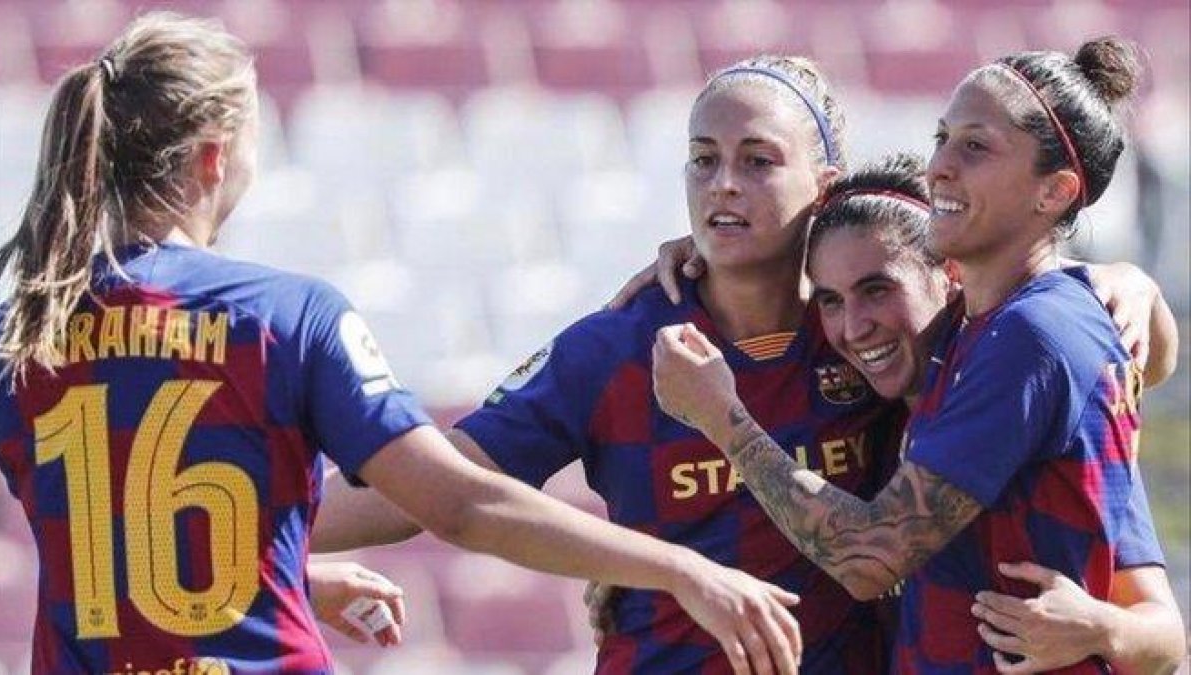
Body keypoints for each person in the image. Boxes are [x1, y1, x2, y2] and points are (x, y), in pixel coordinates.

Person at [0, 13, 803, 675]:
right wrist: (681, 569)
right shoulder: (282, 318)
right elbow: (458, 504)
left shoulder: (20, 334)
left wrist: (282, 574)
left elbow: (133, 519)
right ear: (214, 157)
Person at [313, 55, 910, 674]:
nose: (724, 183)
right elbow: (433, 485)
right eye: (704, 159)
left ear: (825, 186)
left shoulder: (871, 335)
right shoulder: (621, 344)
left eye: (758, 161)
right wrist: (258, 518)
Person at [648, 37, 1184, 673]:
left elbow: (869, 559)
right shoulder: (977, 337)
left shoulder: (1032, 336)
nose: (941, 167)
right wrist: (715, 250)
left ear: (1054, 191)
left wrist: (724, 420)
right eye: (943, 138)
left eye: (976, 146)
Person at [804, 152, 1183, 673]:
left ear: (950, 273)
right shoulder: (855, 406)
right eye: (830, 300)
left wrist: (1102, 628)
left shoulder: (1023, 387)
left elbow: (1164, 636)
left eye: (878, 289)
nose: (854, 327)